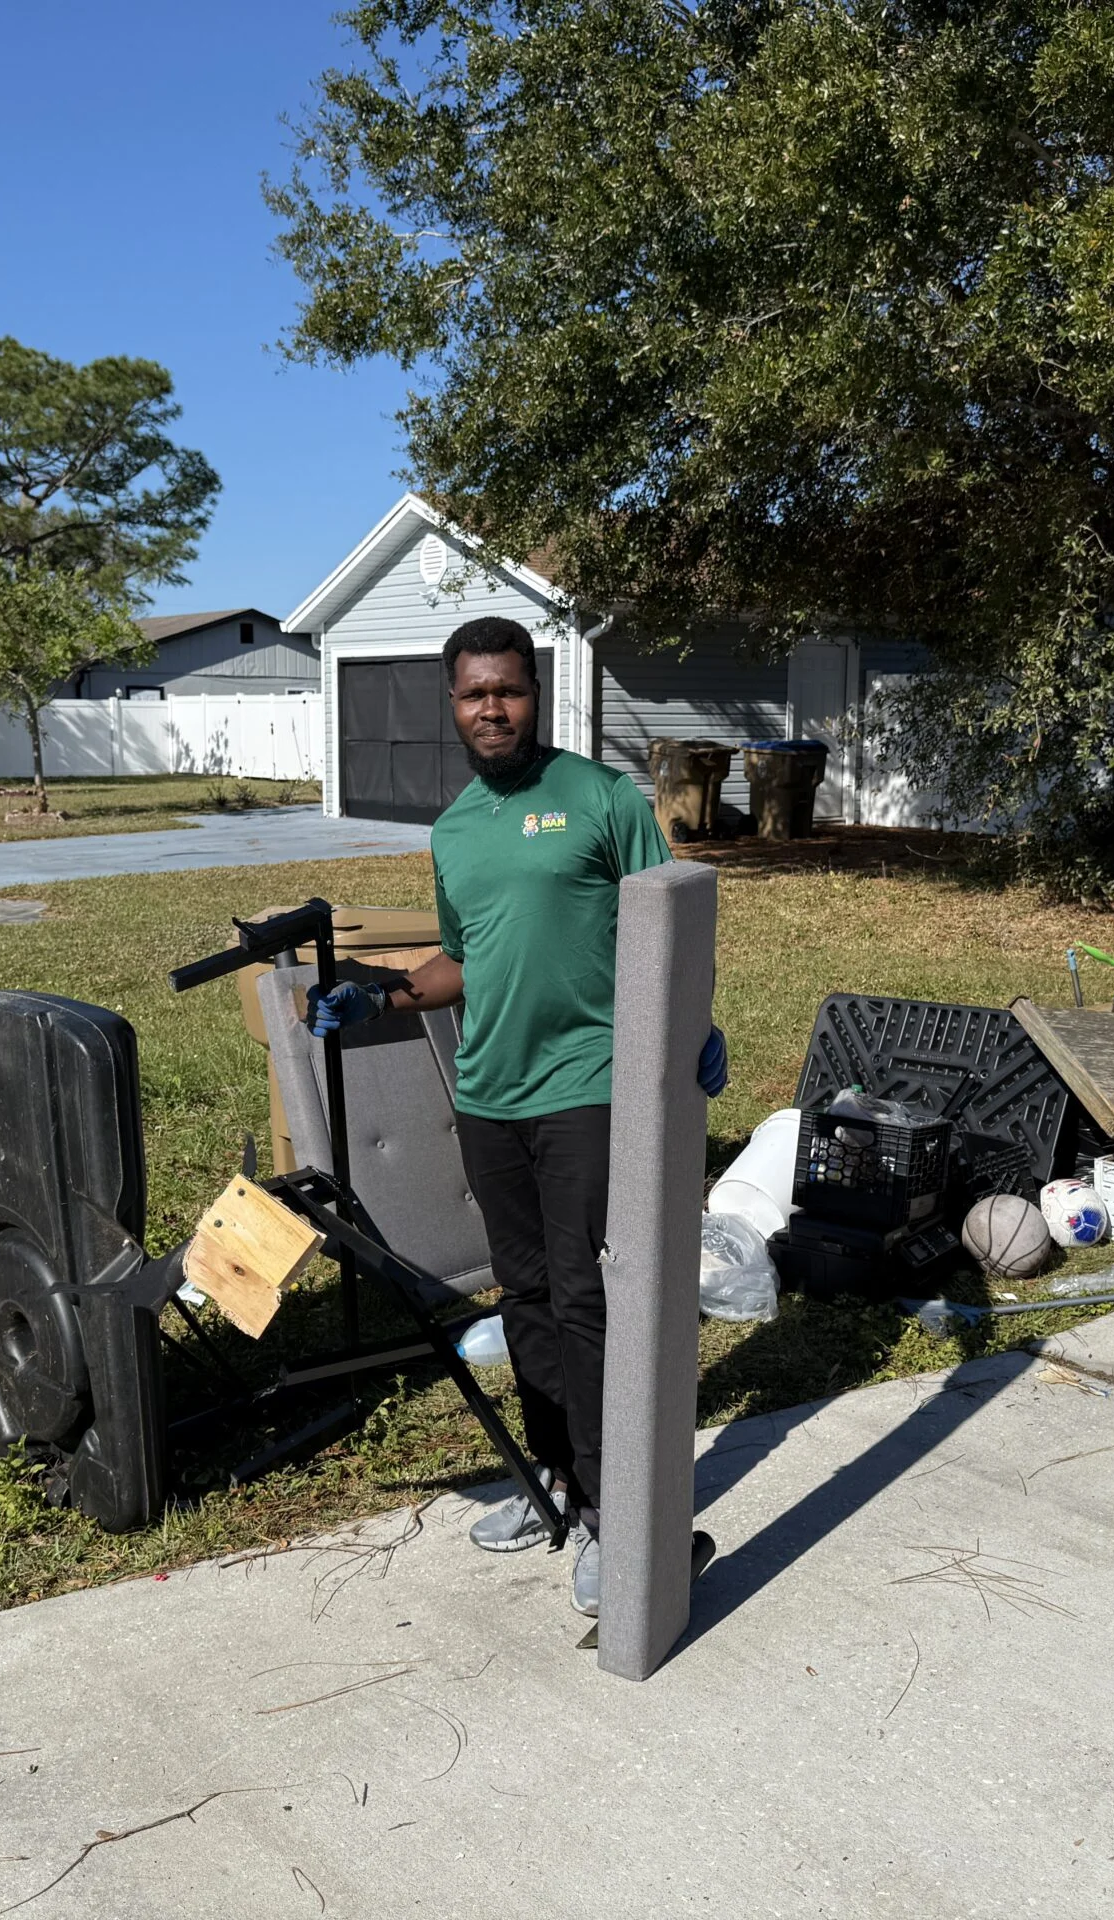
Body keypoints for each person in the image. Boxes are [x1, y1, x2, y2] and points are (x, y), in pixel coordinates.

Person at [302, 615, 729, 1619]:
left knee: (584, 1300)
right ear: (451, 705)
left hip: (585, 1085)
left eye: (507, 690)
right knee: (526, 1300)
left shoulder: (598, 798)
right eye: (471, 694)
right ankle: (556, 1489)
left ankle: (618, 1518)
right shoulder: (454, 829)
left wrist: (693, 1022)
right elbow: (467, 958)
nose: (490, 708)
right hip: (489, 1092)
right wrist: (384, 993)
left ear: (535, 695)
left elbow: (671, 917)